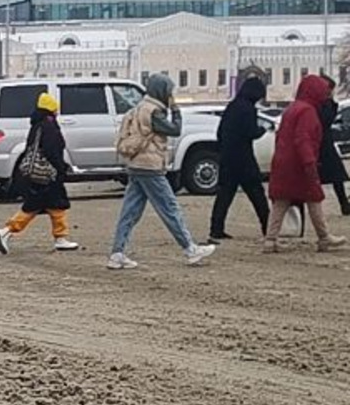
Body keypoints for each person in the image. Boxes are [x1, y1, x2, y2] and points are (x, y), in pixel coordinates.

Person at [109, 73, 216, 270]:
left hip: (135, 165)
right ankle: (189, 248)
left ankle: (117, 253)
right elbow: (174, 130)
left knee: (130, 212)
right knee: (169, 208)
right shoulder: (153, 112)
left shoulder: (139, 107)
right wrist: (175, 110)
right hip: (150, 166)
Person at [264, 74, 348, 253]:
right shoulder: (308, 111)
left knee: (281, 200)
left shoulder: (291, 109)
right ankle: (324, 238)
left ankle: (270, 240)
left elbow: (282, 137)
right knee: (314, 197)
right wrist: (310, 163)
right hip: (300, 164)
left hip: (283, 161)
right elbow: (304, 140)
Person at [0, 93, 80, 255]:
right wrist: (61, 167)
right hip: (47, 174)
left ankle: (58, 237)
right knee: (54, 204)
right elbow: (52, 150)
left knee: (43, 206)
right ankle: (8, 231)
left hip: (36, 174)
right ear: (52, 109)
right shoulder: (49, 125)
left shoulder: (37, 124)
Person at [207, 75, 269, 243]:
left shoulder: (232, 106)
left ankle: (216, 229)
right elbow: (251, 132)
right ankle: (268, 227)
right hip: (244, 158)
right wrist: (262, 130)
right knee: (257, 194)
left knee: (225, 194)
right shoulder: (248, 109)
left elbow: (220, 133)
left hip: (228, 157)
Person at [318, 77, 350, 216]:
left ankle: (344, 204)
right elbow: (326, 120)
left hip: (326, 143)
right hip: (318, 144)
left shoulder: (326, 104)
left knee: (337, 178)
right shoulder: (319, 105)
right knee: (312, 177)